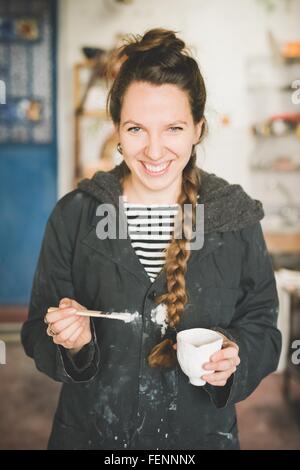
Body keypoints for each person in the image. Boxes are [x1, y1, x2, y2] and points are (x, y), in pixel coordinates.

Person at [21, 28, 282, 450]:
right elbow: (35, 328)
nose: (155, 151)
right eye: (137, 128)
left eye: (174, 128)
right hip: (90, 436)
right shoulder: (76, 214)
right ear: (117, 131)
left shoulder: (234, 216)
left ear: (198, 128)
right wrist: (73, 342)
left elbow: (264, 329)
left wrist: (236, 355)